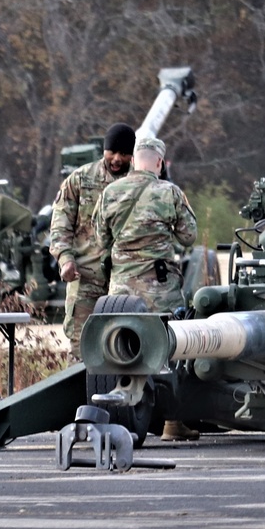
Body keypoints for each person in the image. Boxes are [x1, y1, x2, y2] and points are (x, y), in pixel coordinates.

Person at [93, 135, 199, 441]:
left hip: (120, 292)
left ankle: (119, 415)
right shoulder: (169, 193)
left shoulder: (110, 192)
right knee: (171, 350)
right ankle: (173, 423)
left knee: (121, 347)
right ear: (160, 163)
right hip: (159, 288)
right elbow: (189, 236)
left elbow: (100, 240)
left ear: (134, 161)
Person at [49, 122, 136, 362]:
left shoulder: (139, 185)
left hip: (127, 279)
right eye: (112, 152)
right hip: (86, 277)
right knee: (81, 350)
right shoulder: (80, 180)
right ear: (104, 150)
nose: (117, 159)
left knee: (125, 349)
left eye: (124, 154)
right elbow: (60, 223)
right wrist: (65, 259)